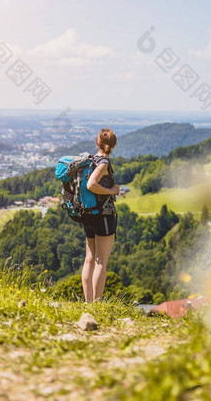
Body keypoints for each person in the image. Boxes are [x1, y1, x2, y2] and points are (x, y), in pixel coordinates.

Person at [81, 128, 120, 302]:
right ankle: (97, 304)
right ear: (113, 145)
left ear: (97, 142)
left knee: (89, 259)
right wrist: (111, 191)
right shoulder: (103, 163)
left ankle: (88, 303)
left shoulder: (90, 160)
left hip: (87, 213)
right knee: (101, 261)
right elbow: (91, 185)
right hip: (103, 215)